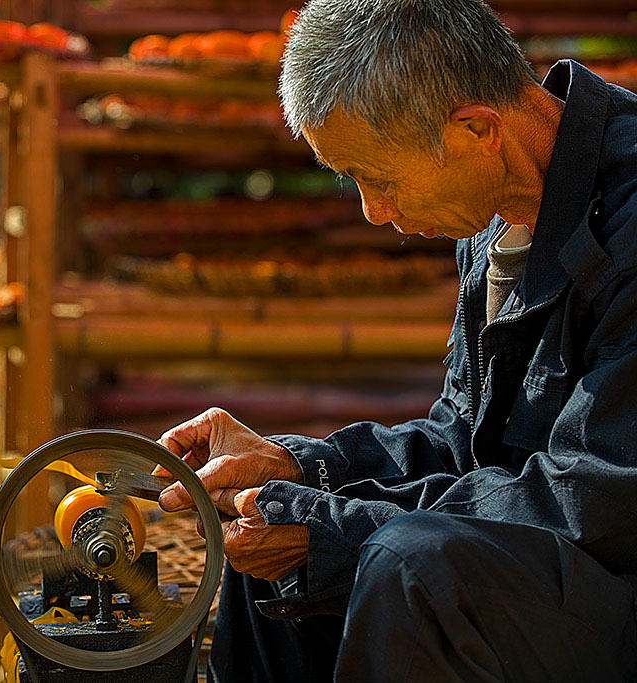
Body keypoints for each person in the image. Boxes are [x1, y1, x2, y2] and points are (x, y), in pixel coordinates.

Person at [153, 0, 637, 680]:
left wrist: (344, 528)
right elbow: (462, 440)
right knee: (271, 543)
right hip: (555, 584)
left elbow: (600, 501)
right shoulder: (495, 214)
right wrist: (300, 471)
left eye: (378, 179)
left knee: (411, 564)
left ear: (476, 129)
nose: (374, 212)